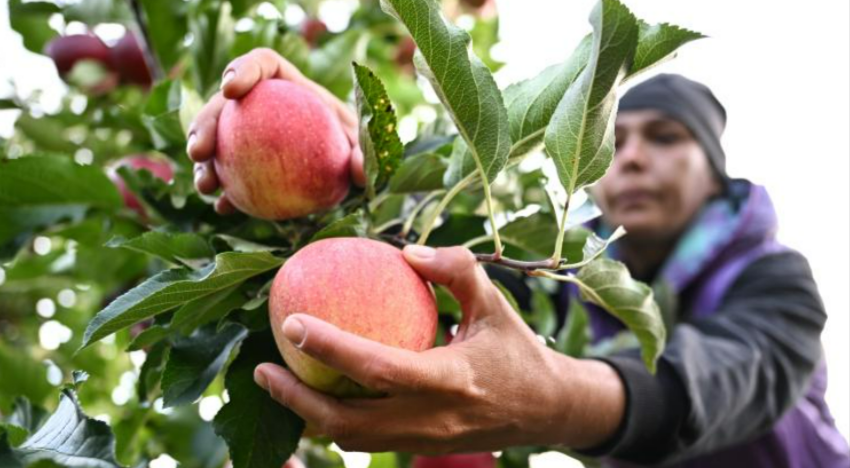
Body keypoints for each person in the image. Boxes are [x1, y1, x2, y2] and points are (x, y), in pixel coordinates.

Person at [187, 48, 850, 466]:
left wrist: (552, 401)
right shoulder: (558, 287)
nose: (635, 156)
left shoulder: (772, 279)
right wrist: (334, 159)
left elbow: (713, 387)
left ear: (714, 168)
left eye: (666, 137)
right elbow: (436, 266)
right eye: (613, 141)